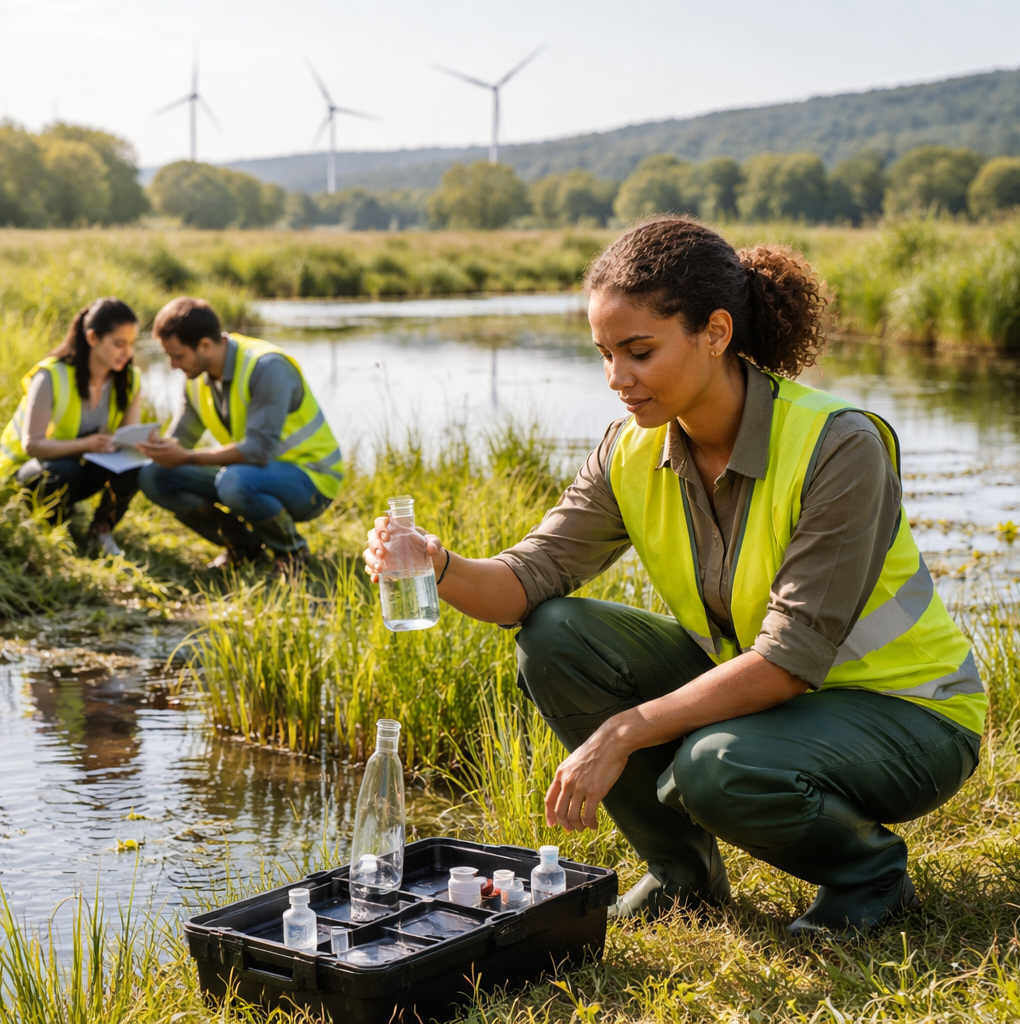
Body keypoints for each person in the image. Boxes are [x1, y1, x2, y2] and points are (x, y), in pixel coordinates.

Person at [363, 218, 986, 939]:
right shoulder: (629, 450)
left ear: (715, 332)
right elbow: (524, 582)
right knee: (555, 636)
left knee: (711, 767)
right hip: (772, 698)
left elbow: (789, 659)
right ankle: (685, 877)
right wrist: (437, 565)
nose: (617, 380)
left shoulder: (838, 444)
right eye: (603, 354)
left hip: (909, 715)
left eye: (639, 352)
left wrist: (623, 731)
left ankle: (869, 876)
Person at [136, 297, 343, 571]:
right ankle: (244, 547)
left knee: (233, 481)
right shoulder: (196, 377)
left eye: (178, 355)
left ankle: (292, 554)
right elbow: (182, 436)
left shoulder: (268, 367)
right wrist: (158, 449)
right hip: (250, 473)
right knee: (153, 475)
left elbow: (256, 451)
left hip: (311, 480)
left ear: (205, 345)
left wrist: (185, 457)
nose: (172, 364)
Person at [0, 298, 145, 557]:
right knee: (64, 468)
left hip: (79, 469)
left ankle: (101, 531)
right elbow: (32, 444)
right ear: (92, 337)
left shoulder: (130, 379)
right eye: (119, 344)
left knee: (135, 463)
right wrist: (85, 445)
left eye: (131, 345)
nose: (127, 353)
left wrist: (136, 445)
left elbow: (127, 440)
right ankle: (50, 534)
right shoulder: (50, 375)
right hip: (30, 471)